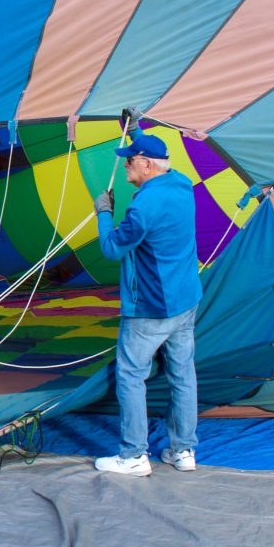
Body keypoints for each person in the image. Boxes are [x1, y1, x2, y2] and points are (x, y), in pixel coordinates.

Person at [92, 109, 202, 477]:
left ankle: (133, 456)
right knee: (182, 375)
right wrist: (136, 130)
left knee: (130, 376)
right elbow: (157, 161)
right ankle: (183, 451)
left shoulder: (143, 206)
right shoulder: (183, 183)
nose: (125, 170)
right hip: (186, 303)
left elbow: (111, 248)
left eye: (129, 164)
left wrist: (103, 213)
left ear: (144, 164)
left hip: (151, 308)